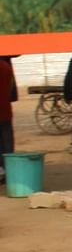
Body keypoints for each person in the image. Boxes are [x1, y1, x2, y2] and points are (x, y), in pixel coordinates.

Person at [0, 55, 14, 183]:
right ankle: (10, 171)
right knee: (8, 144)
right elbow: (10, 88)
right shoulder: (6, 66)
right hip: (5, 110)